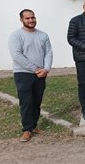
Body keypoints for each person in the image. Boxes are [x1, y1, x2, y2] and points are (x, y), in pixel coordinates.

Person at [9, 9, 53, 142]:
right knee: (26, 102)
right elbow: (17, 55)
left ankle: (34, 126)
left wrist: (46, 69)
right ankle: (27, 130)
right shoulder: (16, 36)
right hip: (23, 74)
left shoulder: (43, 35)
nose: (31, 20)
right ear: (21, 20)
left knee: (36, 101)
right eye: (27, 18)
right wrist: (35, 68)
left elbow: (48, 53)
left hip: (41, 74)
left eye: (32, 18)